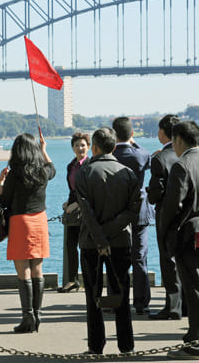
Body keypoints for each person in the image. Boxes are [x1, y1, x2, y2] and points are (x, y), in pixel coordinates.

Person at [76, 127, 140, 355]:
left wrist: (100, 238)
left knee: (93, 296)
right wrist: (110, 232)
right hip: (121, 241)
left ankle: (95, 346)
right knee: (122, 294)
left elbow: (85, 210)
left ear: (94, 146)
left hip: (91, 243)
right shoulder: (128, 173)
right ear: (114, 147)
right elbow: (133, 211)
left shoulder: (85, 172)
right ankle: (126, 345)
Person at [0, 132, 55, 333]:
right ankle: (38, 314)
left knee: (24, 272)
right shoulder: (42, 172)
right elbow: (52, 169)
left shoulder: (14, 174)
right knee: (38, 269)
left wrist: (0, 185)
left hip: (20, 222)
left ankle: (27, 316)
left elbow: (3, 203)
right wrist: (44, 150)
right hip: (40, 221)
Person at [160, 121, 199, 360]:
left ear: (179, 140)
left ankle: (195, 337)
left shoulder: (181, 166)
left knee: (192, 288)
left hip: (189, 235)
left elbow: (172, 207)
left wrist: (165, 235)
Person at [112, 116, 152, 315]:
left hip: (116, 212)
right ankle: (141, 302)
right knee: (139, 257)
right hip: (140, 212)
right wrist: (135, 142)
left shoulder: (110, 156)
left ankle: (116, 298)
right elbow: (146, 155)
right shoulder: (140, 155)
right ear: (132, 134)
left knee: (115, 256)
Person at [146, 114, 183, 320]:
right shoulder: (187, 155)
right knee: (186, 260)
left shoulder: (160, 158)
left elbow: (155, 195)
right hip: (188, 216)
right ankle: (187, 304)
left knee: (167, 260)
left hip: (166, 216)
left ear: (162, 132)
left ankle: (172, 306)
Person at [58, 132, 90, 293]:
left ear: (89, 147)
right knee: (70, 245)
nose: (80, 148)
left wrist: (77, 203)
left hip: (87, 211)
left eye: (83, 145)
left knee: (85, 246)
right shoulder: (71, 166)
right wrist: (69, 202)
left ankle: (88, 279)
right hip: (73, 212)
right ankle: (73, 280)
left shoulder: (90, 165)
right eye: (76, 145)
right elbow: (73, 189)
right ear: (72, 148)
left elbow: (90, 189)